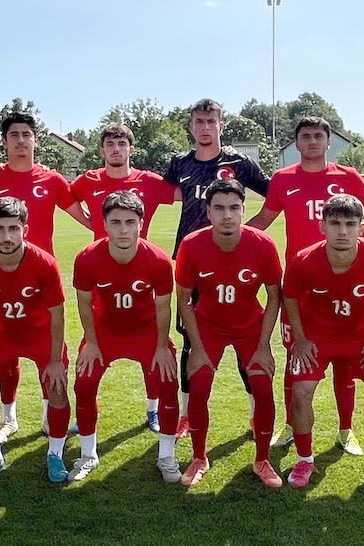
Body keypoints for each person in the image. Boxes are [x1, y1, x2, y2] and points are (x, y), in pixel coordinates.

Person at [0, 111, 90, 443]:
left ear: (35, 140)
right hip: (2, 280)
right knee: (5, 348)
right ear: (5, 141)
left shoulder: (53, 180)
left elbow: (85, 218)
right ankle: (9, 418)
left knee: (49, 351)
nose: (20, 140)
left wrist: (121, 237)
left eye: (26, 134)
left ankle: (47, 415)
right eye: (13, 135)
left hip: (43, 282)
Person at [248, 116, 364, 454]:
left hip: (345, 286)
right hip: (300, 286)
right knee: (296, 358)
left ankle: (346, 430)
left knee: (345, 363)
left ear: (328, 140)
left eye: (318, 135)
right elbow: (264, 220)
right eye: (305, 136)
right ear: (297, 143)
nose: (312, 141)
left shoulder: (348, 177)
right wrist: (226, 238)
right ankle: (292, 423)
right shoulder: (283, 179)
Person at [282, 194, 364, 492]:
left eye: (350, 224)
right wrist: (300, 339)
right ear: (322, 226)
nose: (342, 231)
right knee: (301, 392)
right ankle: (304, 459)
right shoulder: (304, 259)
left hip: (362, 333)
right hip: (317, 334)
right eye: (335, 223)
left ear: (362, 227)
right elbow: (290, 298)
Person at [165, 98, 270, 439]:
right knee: (189, 340)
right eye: (199, 121)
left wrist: (249, 233)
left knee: (245, 336)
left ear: (220, 125)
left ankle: (256, 416)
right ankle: (185, 413)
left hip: (235, 262)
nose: (205, 127)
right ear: (191, 127)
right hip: (191, 262)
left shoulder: (238, 162)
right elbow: (159, 197)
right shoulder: (179, 163)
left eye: (211, 121)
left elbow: (275, 195)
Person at [70, 122, 178, 432]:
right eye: (110, 144)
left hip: (139, 261)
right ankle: (86, 415)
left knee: (146, 327)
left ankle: (153, 409)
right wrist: (88, 222)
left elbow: (189, 195)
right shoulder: (88, 180)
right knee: (104, 321)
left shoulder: (149, 181)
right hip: (101, 262)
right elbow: (63, 197)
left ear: (131, 149)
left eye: (121, 144)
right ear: (102, 149)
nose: (116, 149)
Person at [175, 179, 282, 488]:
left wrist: (264, 345)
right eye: (219, 208)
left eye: (234, 208)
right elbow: (183, 298)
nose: (227, 216)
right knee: (199, 386)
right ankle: (199, 458)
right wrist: (196, 346)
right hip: (208, 326)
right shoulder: (192, 244)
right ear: (208, 211)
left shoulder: (262, 244)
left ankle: (262, 460)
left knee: (262, 389)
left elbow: (274, 295)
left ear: (243, 210)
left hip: (250, 327)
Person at [70, 191, 181, 483]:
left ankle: (167, 457)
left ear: (141, 224)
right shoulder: (88, 257)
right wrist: (91, 343)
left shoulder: (157, 260)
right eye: (115, 222)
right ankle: (88, 454)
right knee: (83, 384)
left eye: (130, 222)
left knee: (168, 382)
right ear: (104, 224)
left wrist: (161, 346)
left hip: (146, 332)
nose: (123, 230)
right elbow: (83, 303)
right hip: (105, 332)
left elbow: (163, 306)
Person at [0, 197, 71, 483]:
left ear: (25, 229)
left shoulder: (45, 263)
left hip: (41, 335)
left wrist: (56, 360)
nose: (7, 236)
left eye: (13, 228)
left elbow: (58, 315)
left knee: (58, 388)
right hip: (1, 335)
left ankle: (55, 454)